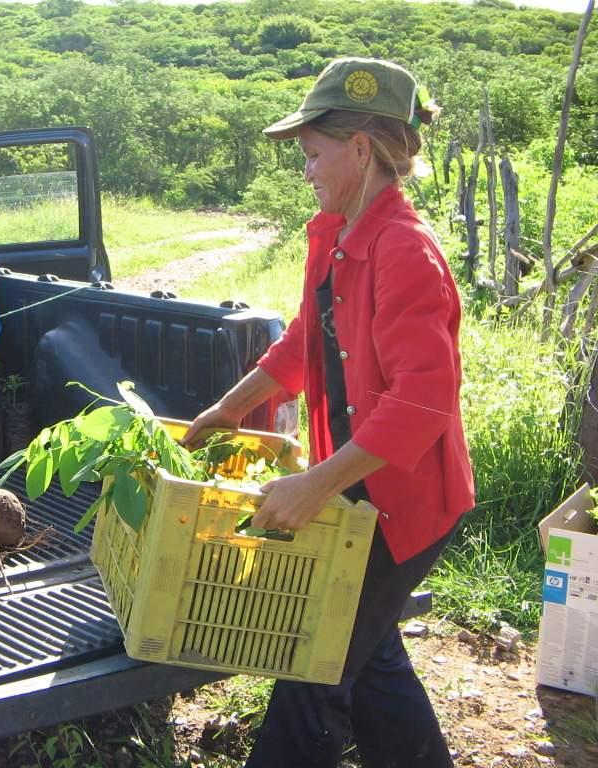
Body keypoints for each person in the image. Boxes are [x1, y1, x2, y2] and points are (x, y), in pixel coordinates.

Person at [182, 57, 475, 768]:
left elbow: (420, 402)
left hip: (404, 503)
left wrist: (312, 487)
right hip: (358, 488)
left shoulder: (405, 251)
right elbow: (302, 343)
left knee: (314, 655)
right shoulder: (338, 235)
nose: (306, 170)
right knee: (368, 658)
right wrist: (229, 407)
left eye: (313, 155)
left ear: (362, 150)